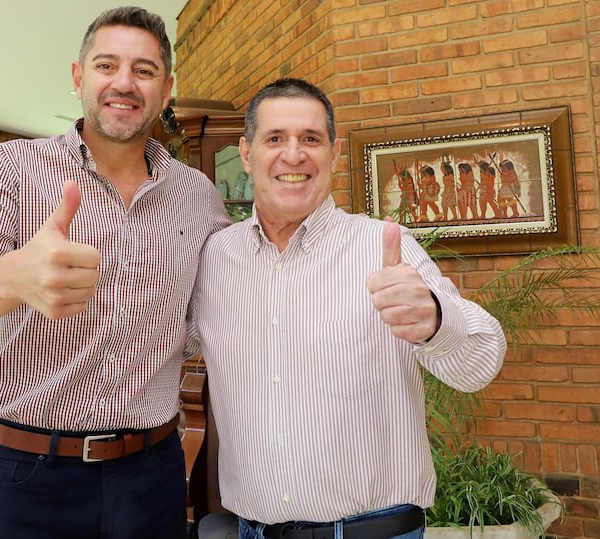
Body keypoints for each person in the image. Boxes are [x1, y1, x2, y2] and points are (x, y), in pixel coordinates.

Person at [0, 7, 231, 539]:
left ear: (166, 88)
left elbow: (223, 312)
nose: (125, 83)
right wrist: (16, 276)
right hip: (26, 471)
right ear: (78, 77)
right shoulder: (12, 167)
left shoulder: (198, 196)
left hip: (152, 470)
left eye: (145, 70)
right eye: (107, 65)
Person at [191, 78, 507, 539]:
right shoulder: (216, 258)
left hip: (372, 531)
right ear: (246, 152)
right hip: (252, 530)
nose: (293, 155)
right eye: (275, 138)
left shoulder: (381, 248)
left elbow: (480, 364)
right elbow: (162, 347)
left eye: (311, 139)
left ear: (335, 154)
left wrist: (437, 321)